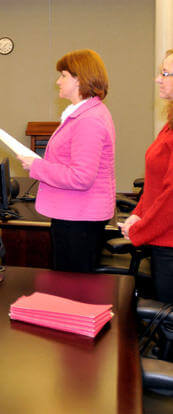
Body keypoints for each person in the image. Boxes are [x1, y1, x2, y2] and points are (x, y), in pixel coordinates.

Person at [17, 49, 115, 272]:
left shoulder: (88, 120)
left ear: (79, 79)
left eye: (63, 75)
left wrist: (37, 166)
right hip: (76, 214)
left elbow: (81, 177)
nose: (58, 81)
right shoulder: (86, 113)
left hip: (79, 219)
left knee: (73, 290)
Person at [120, 51, 173, 303]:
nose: (157, 79)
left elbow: (171, 197)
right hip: (162, 238)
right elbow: (155, 184)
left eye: (164, 73)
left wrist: (140, 230)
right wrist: (137, 214)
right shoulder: (169, 123)